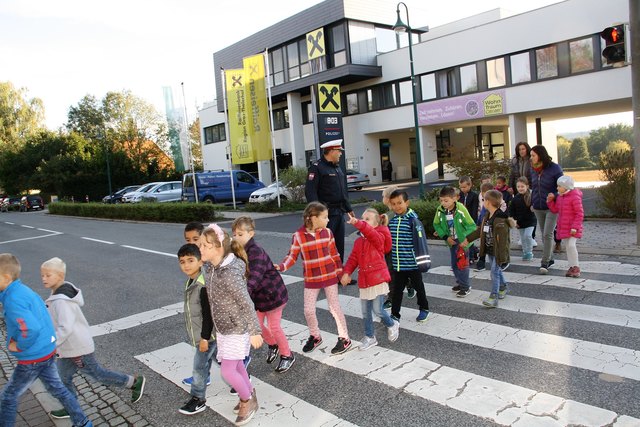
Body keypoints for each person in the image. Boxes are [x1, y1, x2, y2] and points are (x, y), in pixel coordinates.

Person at [41, 257, 145, 420]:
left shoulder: (62, 300)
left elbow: (65, 328)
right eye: (43, 275)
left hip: (77, 348)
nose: (44, 279)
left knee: (99, 375)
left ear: (60, 276)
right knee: (63, 379)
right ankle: (71, 406)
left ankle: (133, 382)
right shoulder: (57, 293)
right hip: (67, 349)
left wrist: (50, 344)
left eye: (48, 275)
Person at [0, 253, 93, 427]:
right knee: (58, 390)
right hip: (46, 350)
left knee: (8, 397)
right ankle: (83, 422)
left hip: (32, 357)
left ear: (5, 277)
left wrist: (19, 346)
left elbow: (31, 328)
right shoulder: (22, 290)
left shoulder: (13, 300)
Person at [199, 224, 263, 426]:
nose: (199, 249)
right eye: (200, 245)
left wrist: (254, 331)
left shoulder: (229, 274)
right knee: (235, 366)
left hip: (237, 327)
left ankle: (247, 400)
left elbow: (246, 302)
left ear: (218, 248)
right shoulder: (209, 267)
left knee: (227, 371)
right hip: (223, 327)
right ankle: (249, 393)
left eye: (204, 246)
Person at [275, 202, 352, 355]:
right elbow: (292, 256)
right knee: (308, 310)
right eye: (325, 217)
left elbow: (335, 255)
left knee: (334, 308)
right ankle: (315, 336)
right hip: (311, 280)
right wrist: (281, 267)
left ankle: (345, 338)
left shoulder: (328, 233)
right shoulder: (298, 236)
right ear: (313, 218)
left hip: (329, 276)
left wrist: (341, 274)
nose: (328, 220)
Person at [231, 217, 294, 373]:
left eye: (240, 234)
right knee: (256, 326)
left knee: (274, 326)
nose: (236, 237)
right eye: (234, 234)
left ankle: (287, 355)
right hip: (258, 298)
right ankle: (273, 345)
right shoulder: (238, 252)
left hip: (273, 296)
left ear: (250, 233)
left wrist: (242, 295)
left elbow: (255, 277)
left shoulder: (256, 252)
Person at [340, 209, 400, 350]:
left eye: (367, 219)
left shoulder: (379, 237)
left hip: (377, 279)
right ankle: (370, 337)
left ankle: (392, 324)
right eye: (363, 218)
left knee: (378, 310)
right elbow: (353, 259)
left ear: (376, 223)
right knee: (366, 312)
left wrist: (358, 223)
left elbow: (371, 234)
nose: (363, 221)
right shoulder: (359, 242)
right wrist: (346, 272)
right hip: (365, 280)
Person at [175, 244, 216, 415]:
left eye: (191, 260)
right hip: (206, 335)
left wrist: (204, 338)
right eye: (182, 262)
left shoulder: (202, 284)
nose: (186, 265)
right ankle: (242, 378)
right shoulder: (192, 280)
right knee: (224, 362)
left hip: (207, 336)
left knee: (199, 367)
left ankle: (198, 399)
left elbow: (208, 314)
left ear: (200, 262)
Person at [304, 139, 354, 263]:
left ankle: (339, 274)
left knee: (338, 245)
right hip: (326, 215)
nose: (341, 154)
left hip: (339, 212)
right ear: (331, 151)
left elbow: (341, 192)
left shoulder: (337, 168)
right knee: (326, 245)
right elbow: (310, 192)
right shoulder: (317, 168)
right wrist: (317, 213)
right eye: (339, 151)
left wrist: (348, 208)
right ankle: (327, 276)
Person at [462, 190, 513, 308]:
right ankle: (503, 286)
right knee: (497, 271)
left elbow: (503, 242)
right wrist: (468, 239)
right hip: (490, 249)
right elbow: (480, 231)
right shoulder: (487, 216)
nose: (483, 202)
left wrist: (502, 258)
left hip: (498, 252)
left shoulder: (500, 220)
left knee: (494, 272)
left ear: (488, 202)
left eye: (484, 200)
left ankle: (493, 297)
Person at [387, 190, 430, 321]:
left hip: (412, 264)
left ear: (407, 203)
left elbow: (421, 243)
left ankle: (424, 308)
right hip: (398, 264)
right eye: (393, 204)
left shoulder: (413, 221)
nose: (397, 206)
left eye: (400, 203)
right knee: (396, 291)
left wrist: (423, 263)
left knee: (419, 287)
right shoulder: (392, 221)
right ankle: (395, 314)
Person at [433, 187, 477, 298]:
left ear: (454, 199)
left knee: (462, 265)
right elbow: (436, 224)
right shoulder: (440, 210)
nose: (443, 203)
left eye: (446, 200)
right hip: (451, 241)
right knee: (454, 264)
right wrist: (445, 236)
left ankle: (465, 287)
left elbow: (472, 226)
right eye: (441, 200)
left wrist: (465, 240)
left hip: (462, 242)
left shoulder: (461, 209)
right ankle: (460, 283)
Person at [530, 145, 564, 274]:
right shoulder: (533, 169)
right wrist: (532, 201)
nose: (531, 158)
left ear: (540, 155)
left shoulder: (554, 168)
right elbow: (533, 185)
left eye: (533, 155)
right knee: (544, 235)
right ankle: (551, 258)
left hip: (551, 206)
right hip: (538, 206)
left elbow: (562, 186)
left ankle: (545, 261)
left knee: (547, 234)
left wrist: (554, 195)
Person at [547, 175, 584, 278]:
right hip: (564, 227)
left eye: (559, 186)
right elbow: (555, 210)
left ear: (566, 186)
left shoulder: (575, 197)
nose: (557, 188)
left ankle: (576, 266)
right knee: (568, 247)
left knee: (571, 245)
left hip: (573, 227)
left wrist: (575, 227)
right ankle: (571, 266)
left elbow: (579, 213)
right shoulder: (560, 197)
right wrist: (550, 201)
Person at [509, 177, 537, 261]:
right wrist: (514, 221)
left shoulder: (531, 196)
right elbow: (511, 211)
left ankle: (529, 252)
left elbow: (535, 205)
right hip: (520, 222)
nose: (520, 188)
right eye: (518, 187)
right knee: (523, 238)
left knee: (528, 235)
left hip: (531, 221)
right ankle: (525, 252)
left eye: (522, 186)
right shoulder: (515, 199)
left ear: (527, 186)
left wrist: (534, 207)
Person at [458, 176, 479, 264]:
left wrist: (474, 222)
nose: (462, 189)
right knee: (464, 239)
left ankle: (470, 257)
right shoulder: (459, 195)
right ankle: (474, 252)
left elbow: (474, 209)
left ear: (470, 186)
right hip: (461, 220)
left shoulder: (474, 195)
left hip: (470, 220)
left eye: (464, 187)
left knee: (469, 239)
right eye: (461, 187)